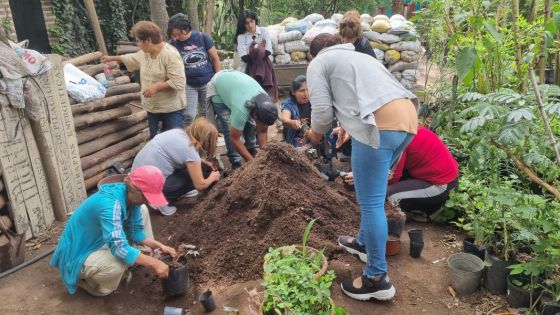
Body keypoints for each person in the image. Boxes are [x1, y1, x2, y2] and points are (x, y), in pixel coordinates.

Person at [304, 33, 418, 301]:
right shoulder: (357, 56)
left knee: (371, 203)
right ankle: (363, 243)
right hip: (408, 119)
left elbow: (320, 113)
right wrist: (347, 127)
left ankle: (376, 278)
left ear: (314, 54)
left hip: (380, 126)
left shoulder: (318, 63)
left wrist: (313, 135)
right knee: (373, 196)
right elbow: (365, 94)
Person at [50, 165, 177, 296]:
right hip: (77, 253)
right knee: (116, 266)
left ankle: (138, 255)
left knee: (143, 209)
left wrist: (160, 246)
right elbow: (118, 247)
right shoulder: (110, 205)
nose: (147, 201)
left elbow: (136, 232)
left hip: (97, 241)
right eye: (145, 196)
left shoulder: (129, 197)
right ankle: (88, 282)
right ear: (133, 188)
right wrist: (154, 263)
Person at [344, 126, 459, 221]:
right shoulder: (400, 129)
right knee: (380, 187)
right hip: (427, 175)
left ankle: (420, 213)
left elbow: (393, 176)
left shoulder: (398, 140)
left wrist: (362, 178)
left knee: (388, 195)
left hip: (441, 185)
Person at [101, 21, 186, 138]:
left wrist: (156, 87)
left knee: (174, 140)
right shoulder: (145, 53)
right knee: (156, 141)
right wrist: (111, 58)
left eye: (138, 41)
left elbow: (179, 82)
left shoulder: (170, 54)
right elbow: (132, 58)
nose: (138, 44)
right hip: (152, 107)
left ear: (148, 40)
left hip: (171, 108)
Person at [132, 118, 221, 215]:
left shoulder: (178, 133)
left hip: (137, 177)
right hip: (148, 186)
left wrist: (201, 161)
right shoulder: (190, 150)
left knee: (198, 168)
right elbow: (200, 185)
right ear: (206, 140)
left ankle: (179, 192)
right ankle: (160, 202)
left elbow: (181, 154)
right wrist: (213, 177)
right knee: (200, 175)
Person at [206, 70, 278, 168]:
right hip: (218, 87)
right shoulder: (241, 109)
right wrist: (253, 164)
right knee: (229, 129)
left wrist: (264, 157)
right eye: (263, 123)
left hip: (236, 84)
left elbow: (262, 131)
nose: (265, 126)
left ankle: (250, 149)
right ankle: (235, 161)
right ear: (256, 115)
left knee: (251, 125)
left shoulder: (265, 104)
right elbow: (234, 138)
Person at [167, 13, 222, 126]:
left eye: (178, 34)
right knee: (188, 115)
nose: (176, 37)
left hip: (208, 82)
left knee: (205, 113)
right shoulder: (172, 44)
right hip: (188, 84)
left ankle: (205, 137)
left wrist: (218, 79)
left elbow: (215, 59)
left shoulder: (202, 37)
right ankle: (188, 139)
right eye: (174, 35)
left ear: (185, 28)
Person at [235, 10, 277, 101]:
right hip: (248, 68)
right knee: (250, 95)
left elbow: (268, 50)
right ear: (243, 24)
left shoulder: (264, 31)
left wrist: (255, 52)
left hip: (265, 66)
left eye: (251, 21)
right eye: (246, 23)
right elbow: (244, 57)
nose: (250, 25)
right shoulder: (241, 37)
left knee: (266, 93)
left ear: (255, 21)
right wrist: (259, 52)